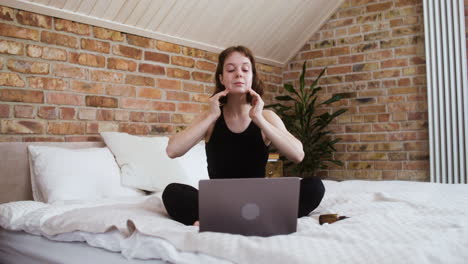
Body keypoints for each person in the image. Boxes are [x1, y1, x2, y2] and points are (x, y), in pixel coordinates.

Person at [162, 46, 325, 226]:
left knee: (314, 186)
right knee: (173, 192)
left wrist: (259, 119)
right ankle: (250, 217)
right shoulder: (210, 118)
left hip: (258, 199)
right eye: (231, 70)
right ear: (222, 78)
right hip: (220, 201)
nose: (239, 74)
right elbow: (172, 150)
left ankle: (223, 219)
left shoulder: (267, 117)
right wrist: (211, 116)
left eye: (245, 69)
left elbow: (298, 154)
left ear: (252, 77)